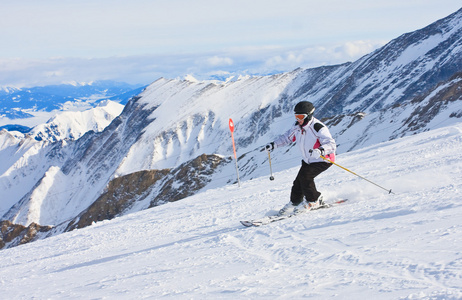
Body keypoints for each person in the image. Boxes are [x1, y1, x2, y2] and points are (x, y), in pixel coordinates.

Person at [265, 101, 336, 216]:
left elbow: (331, 144)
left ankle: (314, 201)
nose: (298, 119)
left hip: (323, 159)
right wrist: (274, 144)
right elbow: (287, 138)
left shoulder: (317, 127)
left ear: (308, 116)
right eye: (296, 116)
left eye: (300, 117)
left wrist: (320, 150)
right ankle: (295, 202)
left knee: (305, 177)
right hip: (308, 160)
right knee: (298, 182)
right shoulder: (297, 127)